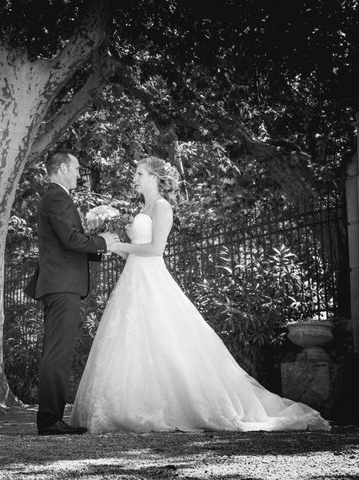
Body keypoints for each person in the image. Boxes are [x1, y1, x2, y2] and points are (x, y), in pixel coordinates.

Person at [70, 155, 331, 433]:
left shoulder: (162, 207)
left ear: (155, 178)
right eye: (136, 174)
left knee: (163, 338)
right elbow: (135, 250)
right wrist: (112, 244)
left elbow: (155, 250)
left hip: (151, 277)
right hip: (133, 277)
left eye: (140, 173)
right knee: (129, 338)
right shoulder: (143, 207)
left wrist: (120, 244)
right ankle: (127, 406)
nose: (135, 178)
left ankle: (167, 408)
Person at [25, 149, 119, 436]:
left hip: (60, 283)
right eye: (77, 168)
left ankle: (51, 417)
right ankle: (50, 420)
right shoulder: (57, 196)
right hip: (61, 285)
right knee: (58, 353)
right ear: (64, 168)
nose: (79, 173)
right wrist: (102, 242)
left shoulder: (57, 197)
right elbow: (70, 239)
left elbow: (67, 240)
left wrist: (97, 243)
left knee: (57, 352)